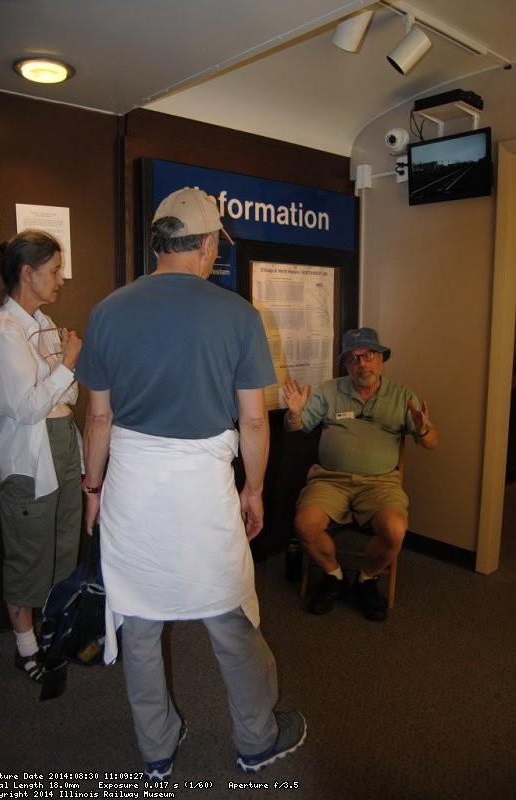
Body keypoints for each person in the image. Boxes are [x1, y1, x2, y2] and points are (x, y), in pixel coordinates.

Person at [75, 188, 306, 780]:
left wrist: (93, 491)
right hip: (203, 490)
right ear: (205, 245)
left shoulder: (106, 311)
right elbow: (254, 419)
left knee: (140, 619)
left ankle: (156, 748)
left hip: (130, 487)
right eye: (214, 248)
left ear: (159, 243)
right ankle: (255, 738)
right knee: (229, 611)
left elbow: (97, 418)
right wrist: (253, 489)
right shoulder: (236, 314)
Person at [283, 326, 438, 621]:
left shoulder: (401, 395)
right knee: (305, 524)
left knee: (394, 530)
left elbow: (431, 443)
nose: (361, 363)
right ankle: (335, 577)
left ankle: (367, 580)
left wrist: (423, 430)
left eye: (368, 355)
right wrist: (294, 413)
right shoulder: (330, 390)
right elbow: (298, 426)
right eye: (353, 358)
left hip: (380, 484)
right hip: (330, 479)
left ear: (381, 358)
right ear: (346, 365)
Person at [0, 230, 82, 681]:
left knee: (62, 551)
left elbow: (70, 396)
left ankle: (52, 634)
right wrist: (66, 364)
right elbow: (26, 407)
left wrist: (62, 367)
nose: (60, 280)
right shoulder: (2, 331)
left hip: (61, 450)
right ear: (28, 273)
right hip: (29, 464)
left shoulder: (40, 324)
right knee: (27, 557)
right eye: (54, 271)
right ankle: (25, 649)